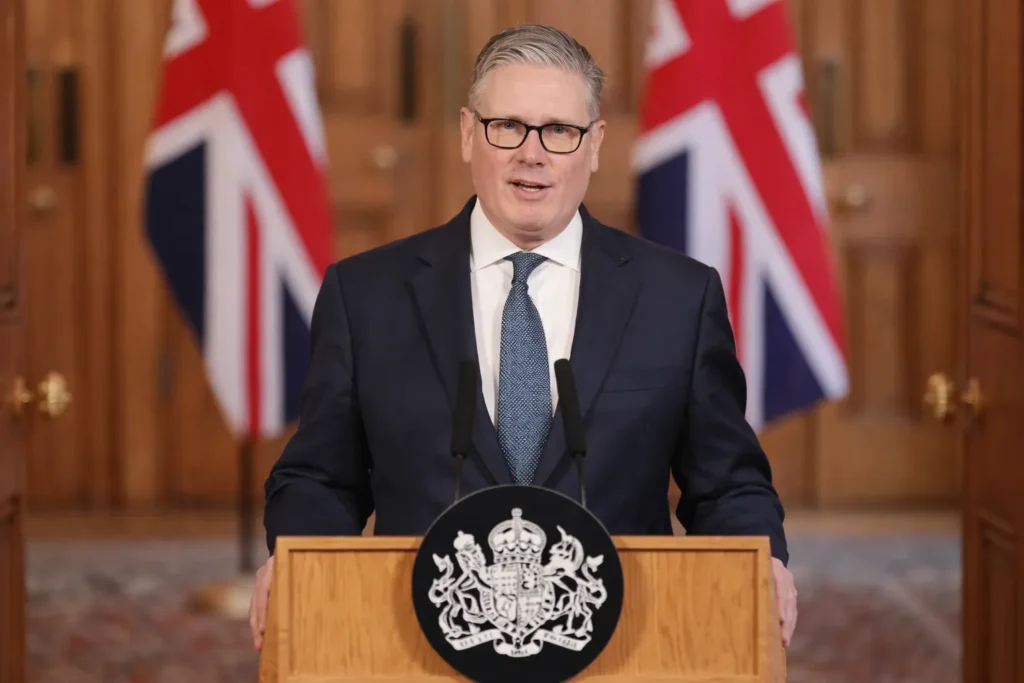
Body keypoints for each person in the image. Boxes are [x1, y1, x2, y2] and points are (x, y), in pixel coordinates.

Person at [249, 23, 797, 651]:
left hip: (628, 638)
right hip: (413, 639)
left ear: (594, 146)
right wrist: (302, 564)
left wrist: (761, 562)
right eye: (506, 126)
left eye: (559, 131)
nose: (530, 154)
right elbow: (319, 479)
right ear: (466, 133)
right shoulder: (366, 295)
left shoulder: (678, 297)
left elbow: (727, 484)